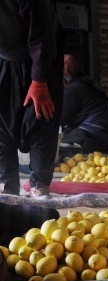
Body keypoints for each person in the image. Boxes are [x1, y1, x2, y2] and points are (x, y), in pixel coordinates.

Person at [0, 0, 64, 199]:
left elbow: (42, 35)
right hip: (4, 59)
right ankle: (6, 184)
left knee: (41, 116)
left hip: (40, 60)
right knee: (2, 124)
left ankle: (40, 184)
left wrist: (39, 81)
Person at [60, 54, 108, 155]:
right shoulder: (85, 82)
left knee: (55, 140)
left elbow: (62, 119)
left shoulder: (75, 88)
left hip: (98, 136)